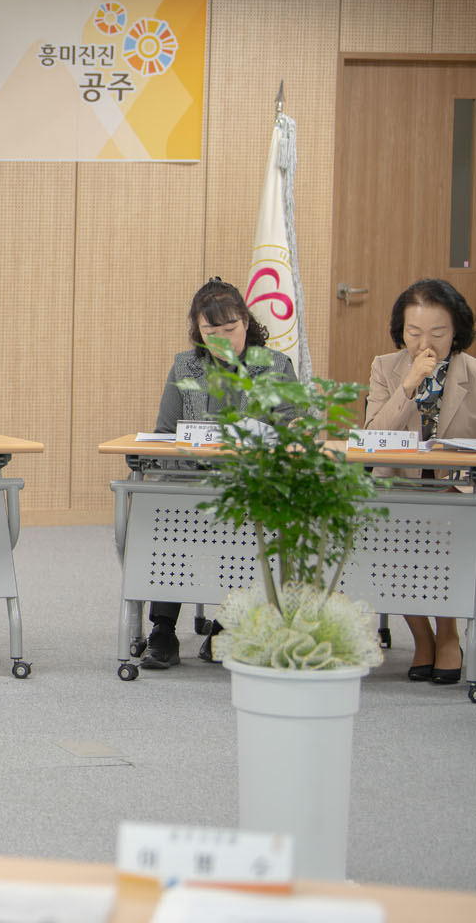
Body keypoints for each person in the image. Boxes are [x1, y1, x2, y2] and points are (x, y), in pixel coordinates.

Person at [144, 278, 295, 670]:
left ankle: (228, 623)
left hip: (250, 484)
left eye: (230, 329)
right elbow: (164, 434)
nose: (223, 339)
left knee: (250, 527)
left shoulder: (275, 366)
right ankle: (163, 629)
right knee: (165, 518)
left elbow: (292, 432)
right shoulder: (185, 366)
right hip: (191, 483)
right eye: (211, 332)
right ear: (198, 330)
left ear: (246, 322)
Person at [364, 277, 476, 684]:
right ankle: (422, 637)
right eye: (414, 333)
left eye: (438, 333)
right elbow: (373, 437)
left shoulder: (473, 373)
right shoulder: (385, 367)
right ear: (401, 331)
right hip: (399, 487)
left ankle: (448, 635)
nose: (424, 342)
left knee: (445, 532)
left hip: (456, 488)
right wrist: (408, 385)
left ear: (456, 331)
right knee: (391, 542)